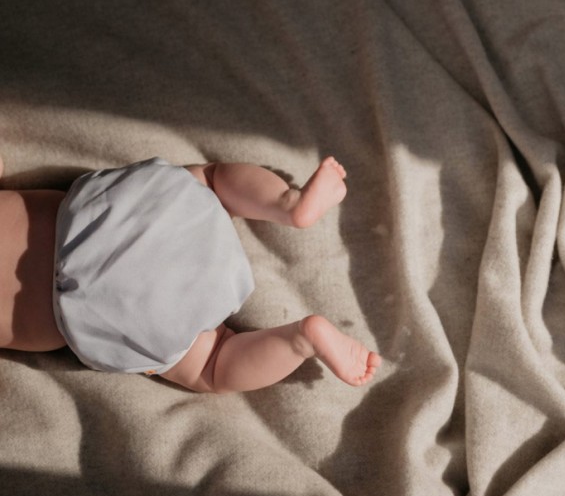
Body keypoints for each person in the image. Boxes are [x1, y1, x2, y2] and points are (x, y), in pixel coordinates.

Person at [0, 154, 381, 393]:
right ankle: (289, 205)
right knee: (211, 180)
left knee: (213, 366)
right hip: (109, 223)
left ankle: (299, 340)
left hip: (107, 312)